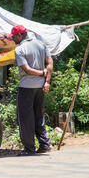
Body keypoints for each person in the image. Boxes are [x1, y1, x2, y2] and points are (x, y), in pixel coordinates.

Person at [7, 25, 53, 156]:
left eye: (14, 37)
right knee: (39, 115)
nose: (13, 39)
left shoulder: (20, 49)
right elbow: (50, 63)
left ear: (20, 35)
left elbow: (27, 70)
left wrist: (41, 74)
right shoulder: (41, 44)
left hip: (26, 87)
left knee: (25, 118)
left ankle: (29, 148)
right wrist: (47, 80)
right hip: (40, 87)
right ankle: (44, 144)